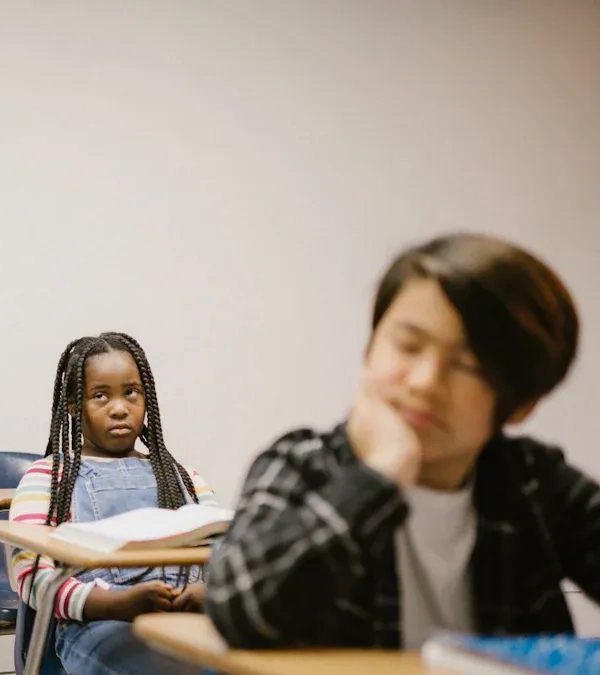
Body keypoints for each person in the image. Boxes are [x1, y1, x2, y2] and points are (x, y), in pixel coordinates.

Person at [205, 233, 600, 650]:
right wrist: (378, 477)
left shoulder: (533, 483)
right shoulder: (304, 465)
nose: (425, 382)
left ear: (521, 404)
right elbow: (241, 606)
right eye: (408, 345)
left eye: (468, 365)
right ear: (369, 350)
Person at [9, 332, 216, 674]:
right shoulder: (48, 476)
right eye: (100, 396)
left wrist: (206, 592)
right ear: (75, 407)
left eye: (131, 393)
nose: (119, 408)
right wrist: (113, 603)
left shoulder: (184, 476)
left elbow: (223, 555)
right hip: (99, 623)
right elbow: (30, 574)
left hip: (188, 620)